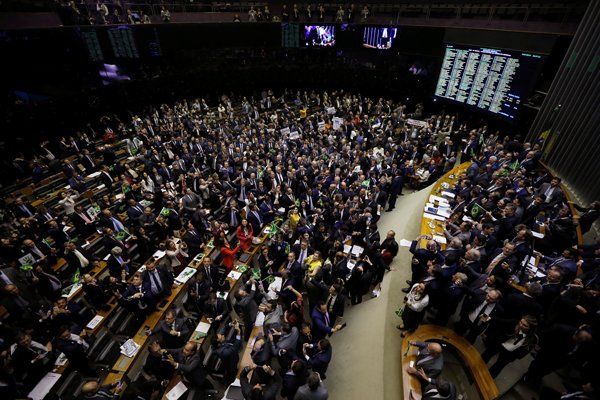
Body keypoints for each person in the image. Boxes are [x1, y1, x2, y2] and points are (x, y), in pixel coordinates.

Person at [210, 320, 242, 385]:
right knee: (232, 373)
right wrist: (238, 332)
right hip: (231, 363)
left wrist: (231, 323)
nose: (223, 335)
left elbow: (223, 328)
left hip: (228, 348)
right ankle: (231, 383)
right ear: (219, 343)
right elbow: (235, 348)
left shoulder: (218, 340)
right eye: (221, 337)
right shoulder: (222, 352)